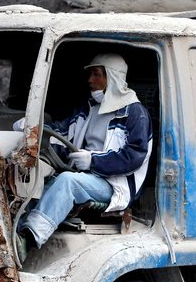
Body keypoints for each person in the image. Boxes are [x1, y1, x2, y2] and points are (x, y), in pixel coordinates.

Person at [14, 53, 153, 263]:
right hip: (86, 176)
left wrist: (93, 161)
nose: (90, 80)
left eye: (97, 74)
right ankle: (17, 230)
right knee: (41, 179)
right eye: (90, 74)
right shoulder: (88, 108)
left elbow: (134, 155)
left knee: (67, 182)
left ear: (113, 77)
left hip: (114, 185)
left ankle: (29, 239)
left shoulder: (135, 113)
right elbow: (61, 134)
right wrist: (33, 128)